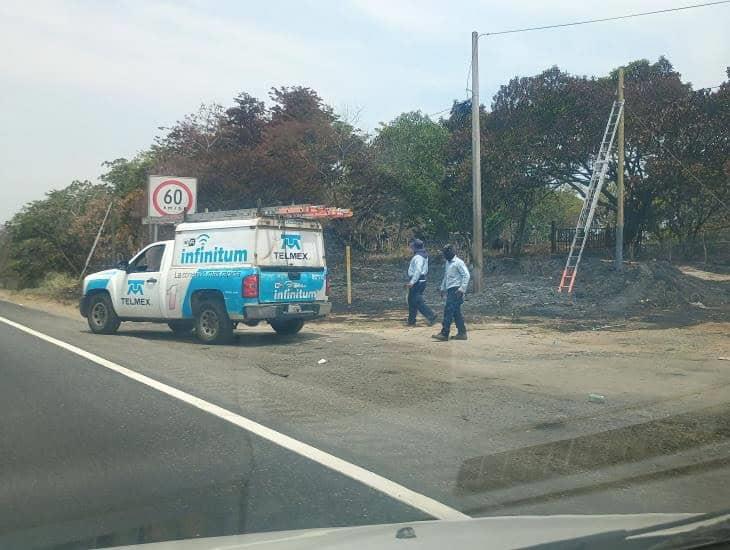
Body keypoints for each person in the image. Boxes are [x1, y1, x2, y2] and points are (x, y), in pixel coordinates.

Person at [432, 244, 470, 341]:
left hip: (456, 290)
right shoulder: (447, 263)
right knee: (456, 312)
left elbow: (467, 275)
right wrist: (442, 288)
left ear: (451, 252)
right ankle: (462, 333)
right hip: (450, 289)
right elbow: (446, 276)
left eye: (446, 253)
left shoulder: (459, 262)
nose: (444, 255)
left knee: (448, 310)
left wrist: (462, 289)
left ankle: (445, 333)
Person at [405, 239, 437, 327]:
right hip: (420, 280)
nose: (411, 248)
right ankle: (411, 320)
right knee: (411, 301)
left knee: (417, 301)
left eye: (412, 247)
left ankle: (431, 315)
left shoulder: (418, 257)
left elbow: (418, 271)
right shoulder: (423, 255)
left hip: (417, 281)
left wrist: (412, 282)